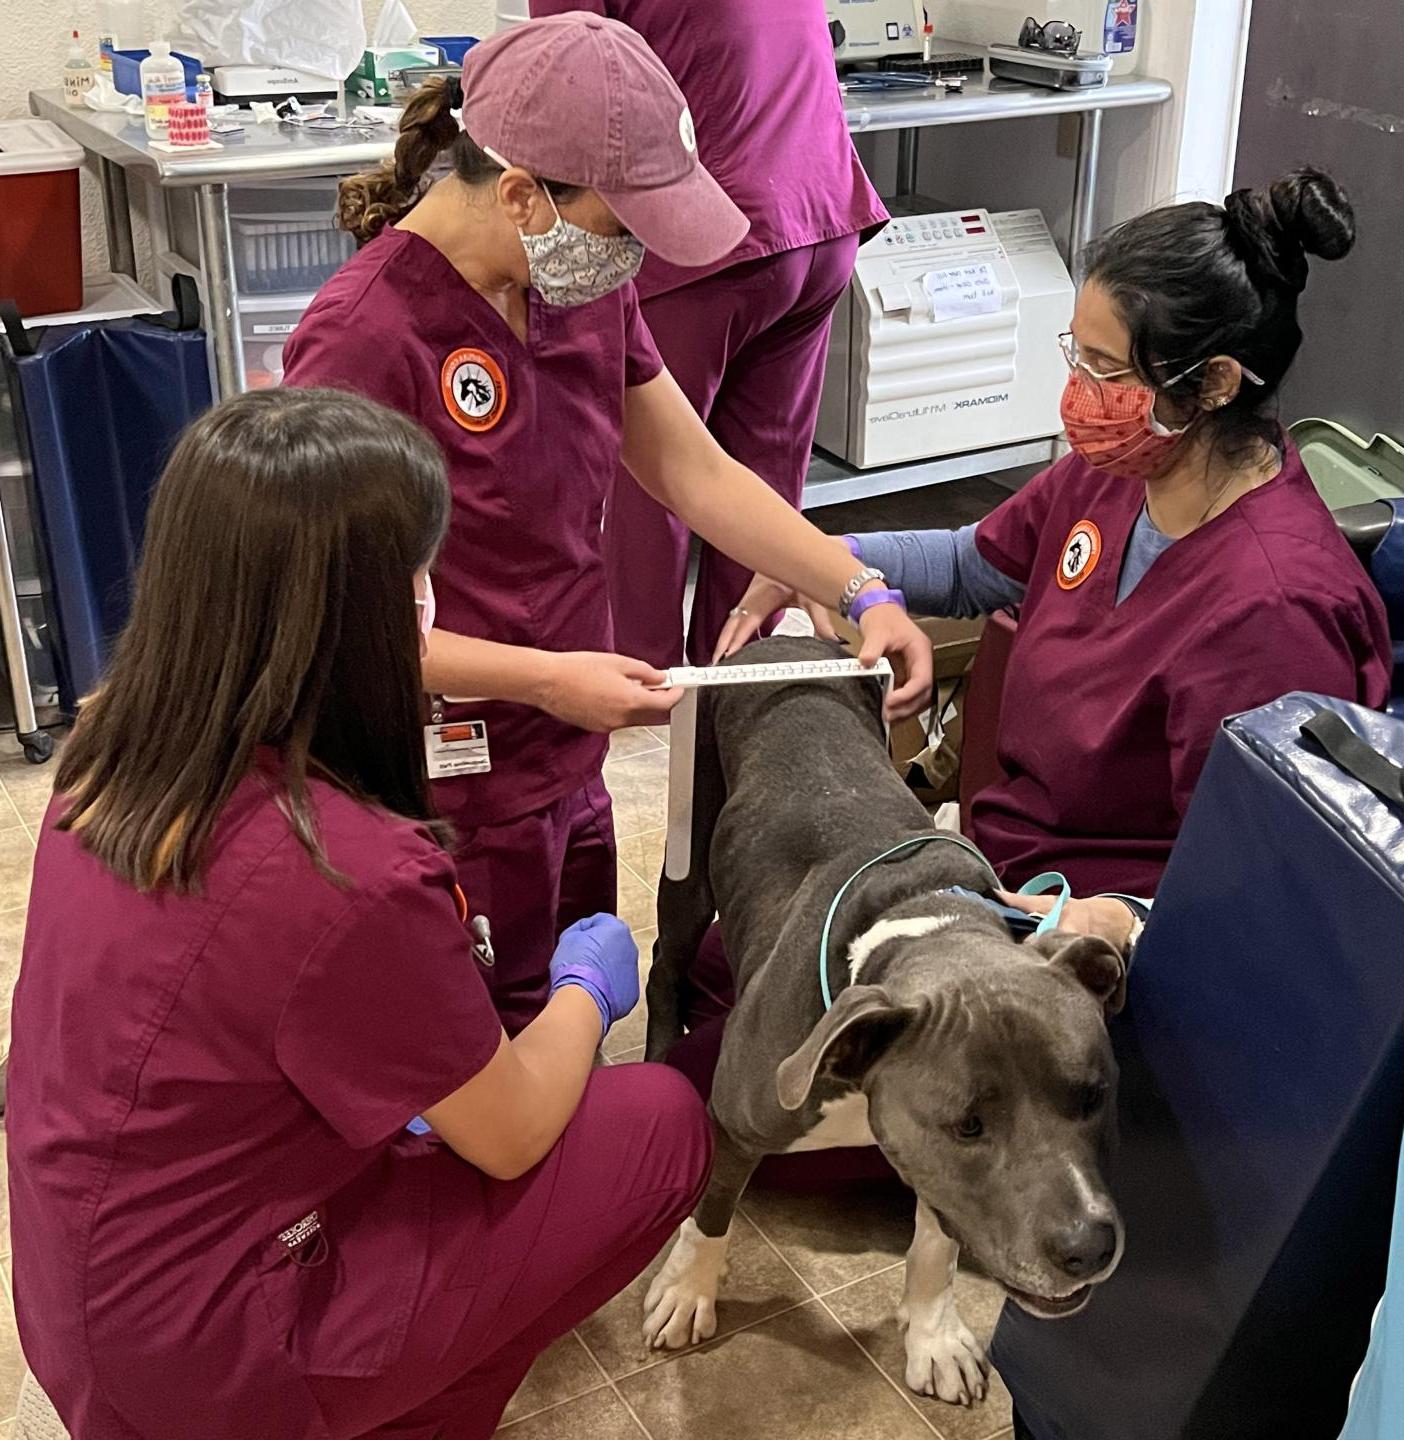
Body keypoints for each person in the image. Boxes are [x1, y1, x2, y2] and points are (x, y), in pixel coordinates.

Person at [6, 388, 713, 1440]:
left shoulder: (110, 756)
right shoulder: (340, 872)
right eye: (419, 577)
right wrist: (583, 988)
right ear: (353, 615)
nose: (430, 602)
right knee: (657, 1122)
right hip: (215, 1356)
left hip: (87, 1299)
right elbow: (514, 1132)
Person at [281, 14, 929, 1035]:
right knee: (466, 1036)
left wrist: (857, 586)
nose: (631, 261)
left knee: (566, 995)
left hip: (563, 752)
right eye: (622, 230)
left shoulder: (575, 288)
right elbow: (339, 634)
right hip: (449, 767)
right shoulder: (363, 343)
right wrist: (548, 677)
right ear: (522, 193)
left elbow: (694, 470)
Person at [724, 169, 1392, 910]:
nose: (1079, 393)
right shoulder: (1116, 476)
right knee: (752, 932)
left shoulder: (1274, 612)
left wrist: (1096, 923)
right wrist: (831, 566)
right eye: (1077, 355)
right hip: (1007, 862)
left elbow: (1258, 891)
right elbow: (973, 563)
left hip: (1098, 930)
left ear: (1216, 384)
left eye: (1106, 369)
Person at [528, 0, 888, 668]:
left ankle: (644, 689)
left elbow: (564, 86)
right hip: (820, 212)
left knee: (649, 480)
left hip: (709, 233)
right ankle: (736, 698)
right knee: (764, 472)